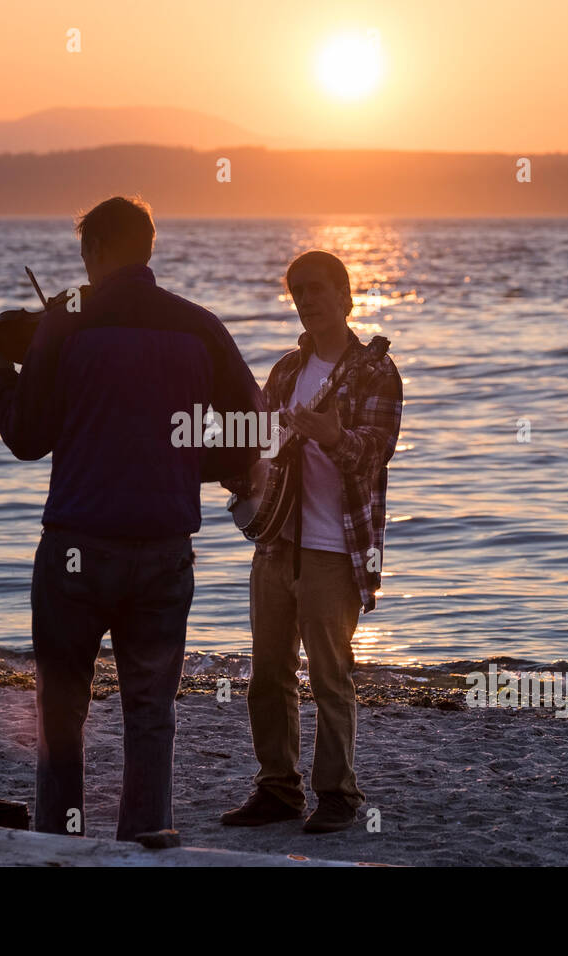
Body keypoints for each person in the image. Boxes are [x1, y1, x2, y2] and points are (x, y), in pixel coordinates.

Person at [0, 196, 261, 841]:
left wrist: (0, 380)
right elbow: (254, 426)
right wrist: (187, 463)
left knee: (61, 704)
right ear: (150, 248)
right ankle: (145, 836)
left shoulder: (64, 322)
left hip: (78, 543)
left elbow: (26, 437)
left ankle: (60, 834)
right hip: (163, 545)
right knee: (151, 706)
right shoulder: (200, 325)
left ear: (95, 251)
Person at [221, 250, 402, 833]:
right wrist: (242, 473)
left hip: (336, 544)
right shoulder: (284, 372)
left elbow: (376, 455)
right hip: (276, 543)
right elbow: (260, 448)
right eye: (298, 289)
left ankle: (339, 794)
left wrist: (335, 436)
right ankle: (277, 788)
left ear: (347, 296)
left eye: (319, 287)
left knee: (330, 675)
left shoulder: (375, 371)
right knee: (268, 673)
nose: (308, 298)